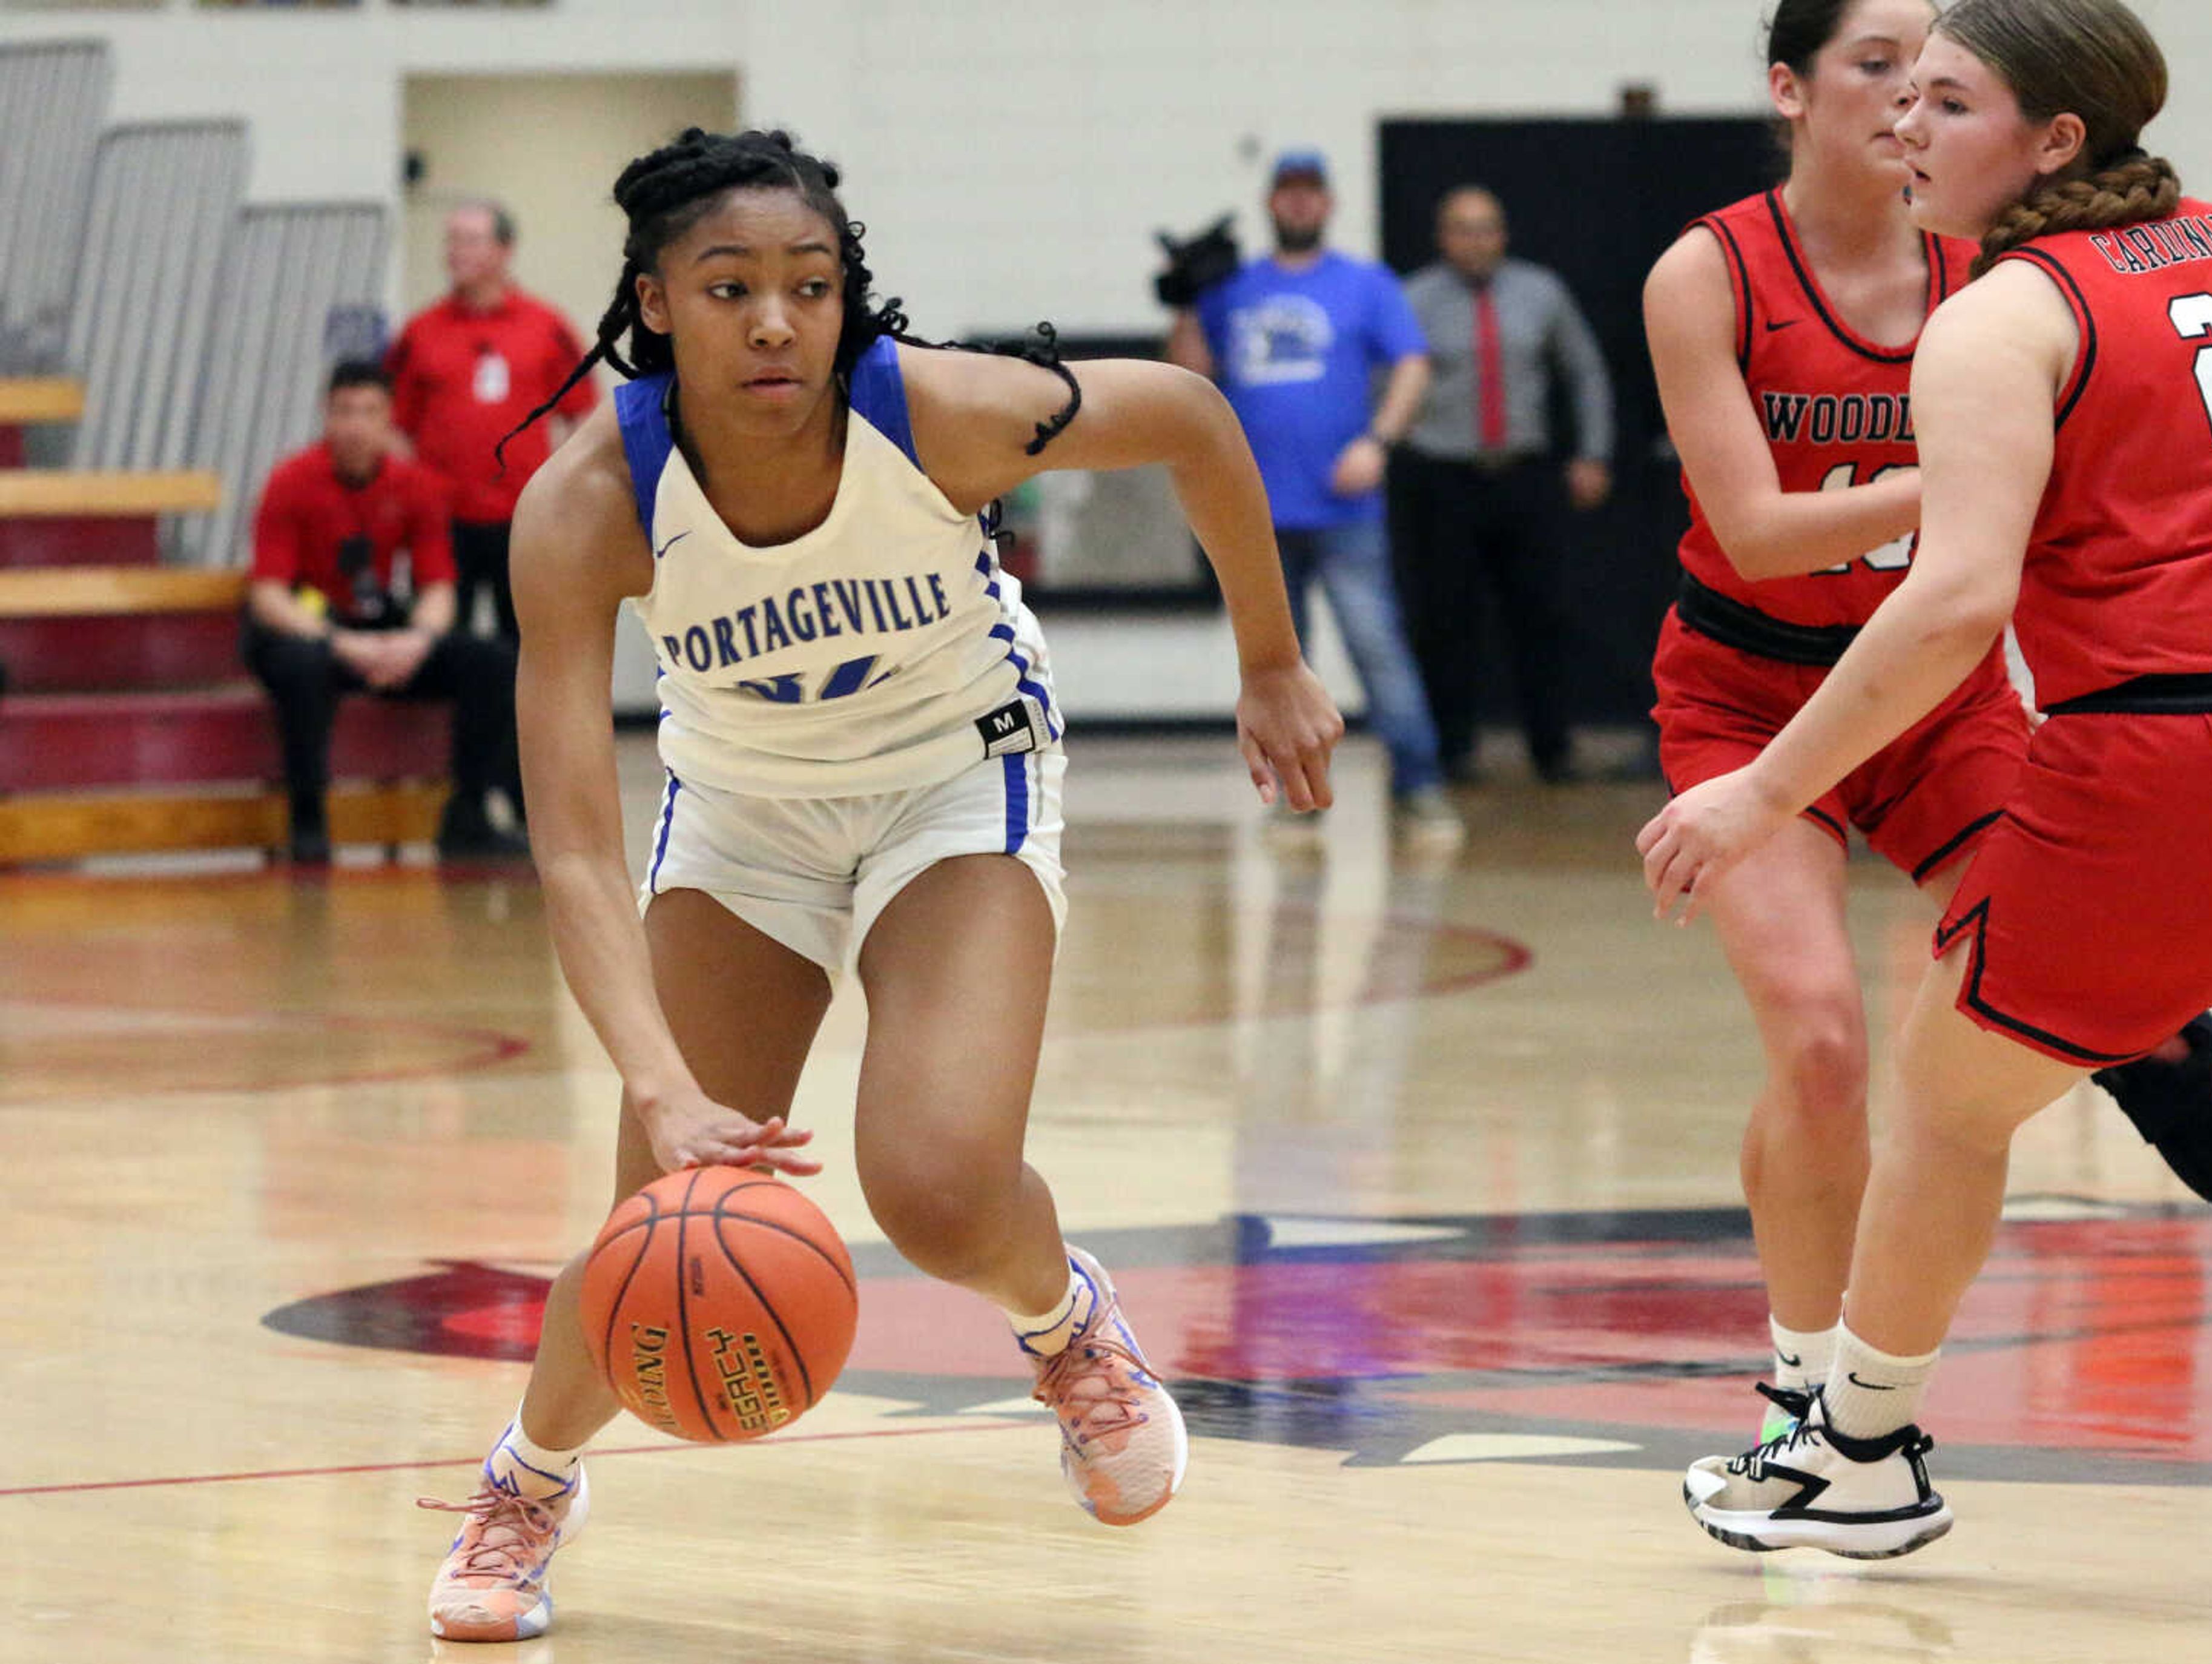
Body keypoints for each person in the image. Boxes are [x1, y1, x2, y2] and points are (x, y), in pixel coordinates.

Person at [419, 129, 1342, 1642]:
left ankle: (1066, 1330)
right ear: (654, 304)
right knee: (653, 1206)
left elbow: (1185, 412)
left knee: (933, 1183)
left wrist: (1269, 659)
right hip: (743, 817)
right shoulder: (588, 504)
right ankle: (528, 1481)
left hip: (953, 773)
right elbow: (578, 842)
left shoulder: (937, 416)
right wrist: (656, 1079)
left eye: (810, 284)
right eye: (728, 289)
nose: (775, 320)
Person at [1643, 0, 2212, 1557]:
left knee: (1947, 1097)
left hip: (2146, 747)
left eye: (1943, 99)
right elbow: (1761, 533)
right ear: (1789, 92)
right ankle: (1797, 1386)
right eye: (1886, 83)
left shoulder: (1994, 313)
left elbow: (1952, 605)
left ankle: (1857, 1454)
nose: (1906, 123)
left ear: (2053, 138)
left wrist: (1753, 795)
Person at [1163, 149, 1461, 847]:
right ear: (1272, 203)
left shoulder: (1366, 284)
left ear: (1328, 204)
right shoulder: (1232, 288)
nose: (1299, 204)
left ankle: (1421, 791)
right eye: (1287, 193)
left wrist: (1379, 442)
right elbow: (1186, 382)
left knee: (1378, 651)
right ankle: (1294, 802)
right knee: (1274, 670)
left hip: (1346, 513)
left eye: (1311, 193)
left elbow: (1413, 365)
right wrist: (1184, 301)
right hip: (1255, 516)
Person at [242, 360, 527, 865]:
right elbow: (269, 595)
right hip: (306, 630)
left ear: (389, 420)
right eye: (344, 411)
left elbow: (439, 589)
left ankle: (469, 814)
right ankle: (308, 824)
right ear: (326, 417)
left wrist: (416, 640)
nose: (355, 425)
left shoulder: (415, 486)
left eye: (369, 412)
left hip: (378, 625)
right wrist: (339, 642)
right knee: (302, 668)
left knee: (494, 661)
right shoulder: (291, 481)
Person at [1394, 184, 1617, 782]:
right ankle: (1452, 751)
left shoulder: (1541, 291)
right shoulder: (1412, 299)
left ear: (1504, 233)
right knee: (1446, 621)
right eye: (1462, 228)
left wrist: (1592, 453)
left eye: (1487, 227)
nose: (1476, 240)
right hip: (1445, 478)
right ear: (1443, 237)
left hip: (1526, 477)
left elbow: (1585, 371)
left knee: (1540, 616)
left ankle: (1552, 749)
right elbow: (1386, 380)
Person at [385, 199, 598, 642]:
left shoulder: (546, 326)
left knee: (529, 644)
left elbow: (583, 416)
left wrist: (556, 489)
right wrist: (418, 491)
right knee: (443, 647)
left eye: (470, 240)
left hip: (523, 519)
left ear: (504, 251)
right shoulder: (420, 331)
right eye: (451, 241)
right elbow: (391, 426)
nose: (456, 252)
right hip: (444, 523)